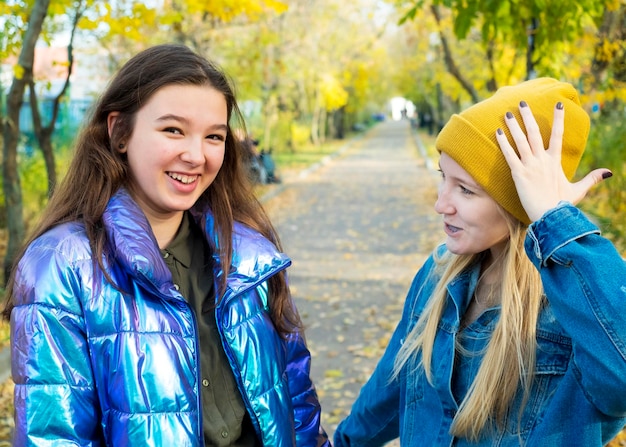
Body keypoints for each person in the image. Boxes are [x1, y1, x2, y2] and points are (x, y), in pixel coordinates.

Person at [3, 43, 330, 447]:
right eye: (173, 130)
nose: (196, 155)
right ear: (120, 132)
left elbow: (296, 399)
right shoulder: (62, 265)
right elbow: (52, 436)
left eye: (214, 136)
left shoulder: (248, 253)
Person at [333, 77, 626, 446]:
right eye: (444, 178)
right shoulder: (438, 274)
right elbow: (394, 385)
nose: (442, 204)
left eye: (466, 190)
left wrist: (555, 219)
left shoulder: (572, 311)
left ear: (519, 202)